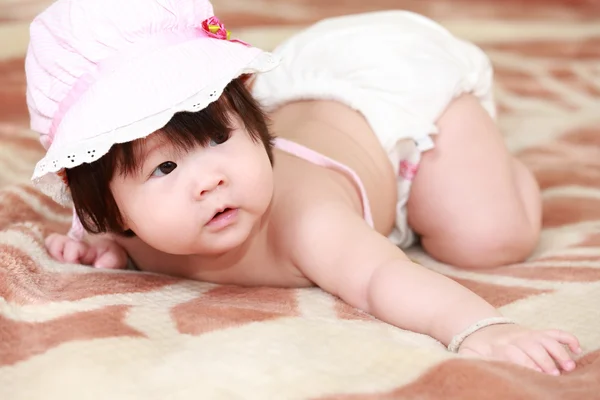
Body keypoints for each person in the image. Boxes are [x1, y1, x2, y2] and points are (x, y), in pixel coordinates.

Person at [28, 0, 580, 375]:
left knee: (487, 237)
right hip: (315, 117)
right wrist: (95, 243)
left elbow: (381, 278)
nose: (211, 177)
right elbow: (97, 217)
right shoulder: (123, 224)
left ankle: (496, 157)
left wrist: (479, 329)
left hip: (399, 129)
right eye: (164, 170)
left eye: (220, 135)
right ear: (109, 209)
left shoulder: (307, 221)